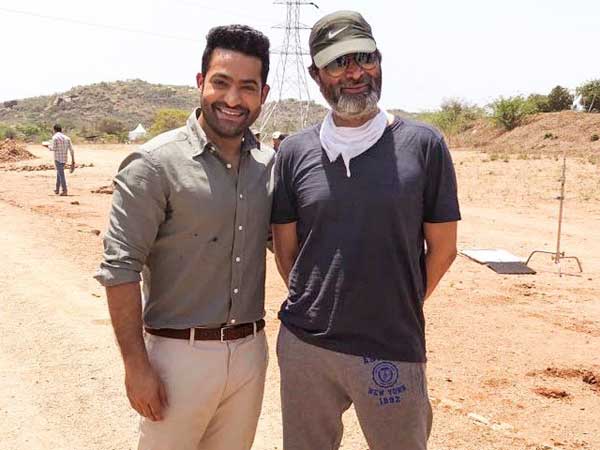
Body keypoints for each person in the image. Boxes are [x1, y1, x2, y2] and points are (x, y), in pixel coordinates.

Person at [271, 10, 461, 450]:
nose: (355, 73)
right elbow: (286, 252)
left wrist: (397, 302)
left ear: (379, 60)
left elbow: (444, 248)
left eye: (365, 58)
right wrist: (320, 303)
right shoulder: (294, 152)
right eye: (338, 63)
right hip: (306, 347)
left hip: (390, 346)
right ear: (316, 74)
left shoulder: (424, 145)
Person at [95, 24, 273, 450]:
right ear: (200, 82)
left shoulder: (270, 167)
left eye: (247, 87)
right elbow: (120, 268)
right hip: (177, 359)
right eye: (221, 83)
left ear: (263, 94)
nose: (233, 99)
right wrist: (136, 366)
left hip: (250, 354)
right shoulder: (154, 164)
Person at [44, 124, 75, 195]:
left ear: (54, 129)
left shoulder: (54, 137)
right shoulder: (67, 138)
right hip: (64, 158)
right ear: (61, 130)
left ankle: (64, 190)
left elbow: (53, 148)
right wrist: (73, 160)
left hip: (57, 158)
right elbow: (72, 150)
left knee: (61, 174)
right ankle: (57, 189)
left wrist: (46, 146)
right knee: (59, 173)